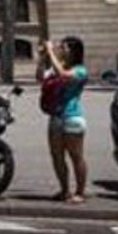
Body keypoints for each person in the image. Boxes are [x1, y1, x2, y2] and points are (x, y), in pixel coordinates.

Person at [38, 36, 89, 204]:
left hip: (72, 117)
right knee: (57, 155)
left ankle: (80, 192)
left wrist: (51, 51)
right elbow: (40, 78)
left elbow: (64, 75)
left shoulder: (81, 70)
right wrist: (42, 58)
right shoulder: (58, 66)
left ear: (74, 51)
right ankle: (65, 190)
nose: (61, 50)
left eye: (64, 48)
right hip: (56, 117)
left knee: (76, 156)